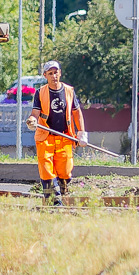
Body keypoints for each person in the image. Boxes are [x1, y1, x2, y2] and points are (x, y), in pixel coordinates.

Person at [31, 60, 86, 204]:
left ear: (60, 73)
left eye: (56, 72)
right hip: (45, 137)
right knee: (47, 170)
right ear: (45, 75)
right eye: (50, 73)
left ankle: (62, 195)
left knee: (65, 171)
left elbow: (76, 112)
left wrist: (81, 132)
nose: (54, 76)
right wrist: (32, 120)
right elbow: (35, 113)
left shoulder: (69, 91)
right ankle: (54, 203)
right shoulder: (40, 93)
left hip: (64, 137)